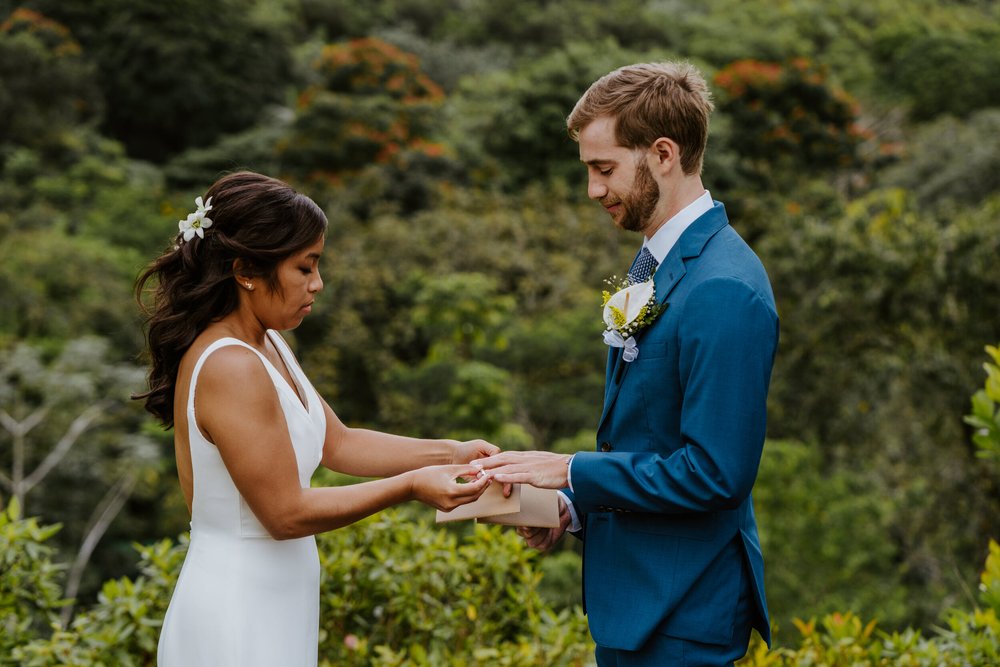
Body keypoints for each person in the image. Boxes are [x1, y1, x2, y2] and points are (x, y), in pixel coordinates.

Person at [474, 62, 779, 666]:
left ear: (663, 154)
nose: (593, 190)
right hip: (635, 606)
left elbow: (716, 473)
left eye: (603, 168)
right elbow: (646, 434)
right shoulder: (655, 268)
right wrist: (570, 509)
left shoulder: (724, 287)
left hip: (684, 614)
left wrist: (570, 470)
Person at [134, 171, 495, 667]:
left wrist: (453, 452)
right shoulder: (231, 365)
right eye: (305, 268)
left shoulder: (267, 342)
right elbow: (284, 514)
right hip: (237, 606)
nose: (317, 284)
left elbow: (338, 443)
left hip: (279, 599)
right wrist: (410, 485)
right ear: (246, 270)